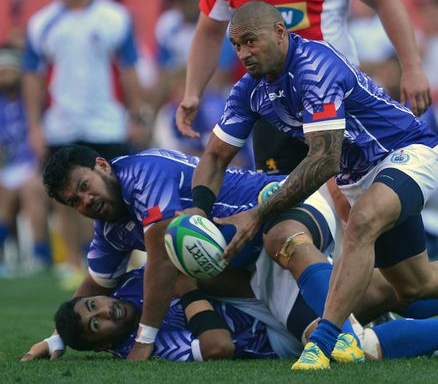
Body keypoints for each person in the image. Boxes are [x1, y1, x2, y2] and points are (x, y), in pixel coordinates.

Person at [182, 2, 438, 370]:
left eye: (250, 41)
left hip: (406, 151)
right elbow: (214, 157)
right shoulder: (249, 90)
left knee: (362, 225)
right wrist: (197, 211)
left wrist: (257, 215)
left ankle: (324, 343)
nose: (243, 53)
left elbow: (324, 159)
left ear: (280, 32)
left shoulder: (314, 66)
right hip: (358, 177)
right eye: (237, 45)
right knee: (415, 286)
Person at [21, 144, 377, 362]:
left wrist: (145, 341)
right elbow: (93, 287)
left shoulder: (143, 173)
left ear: (102, 166)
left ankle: (339, 332)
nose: (86, 201)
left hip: (280, 207)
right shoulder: (111, 230)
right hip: (258, 272)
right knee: (404, 289)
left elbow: (161, 260)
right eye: (74, 201)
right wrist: (59, 337)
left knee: (289, 250)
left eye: (85, 187)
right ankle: (416, 326)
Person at [50, 266, 438, 362]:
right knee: (359, 344)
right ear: (104, 343)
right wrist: (190, 290)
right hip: (270, 336)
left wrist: (54, 342)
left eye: (94, 304)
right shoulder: (147, 347)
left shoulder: (134, 286)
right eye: (97, 325)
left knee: (382, 290)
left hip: (261, 295)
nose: (104, 311)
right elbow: (217, 346)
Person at [176, 0, 431, 175]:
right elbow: (209, 30)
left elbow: (383, 0)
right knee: (277, 208)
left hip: (338, 100)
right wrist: (192, 92)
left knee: (350, 204)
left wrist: (412, 68)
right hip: (273, 102)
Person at [22, 0, 148, 289]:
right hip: (61, 123)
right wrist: (34, 126)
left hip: (107, 122)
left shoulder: (114, 16)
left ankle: (128, 263)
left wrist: (137, 116)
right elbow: (32, 75)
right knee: (68, 197)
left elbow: (129, 68)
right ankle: (72, 262)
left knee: (119, 192)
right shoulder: (42, 22)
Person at [0, 44, 51, 273]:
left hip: (35, 167)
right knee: (5, 190)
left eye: (9, 70)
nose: (5, 76)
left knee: (30, 188)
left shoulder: (34, 101)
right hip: (8, 168)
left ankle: (41, 255)